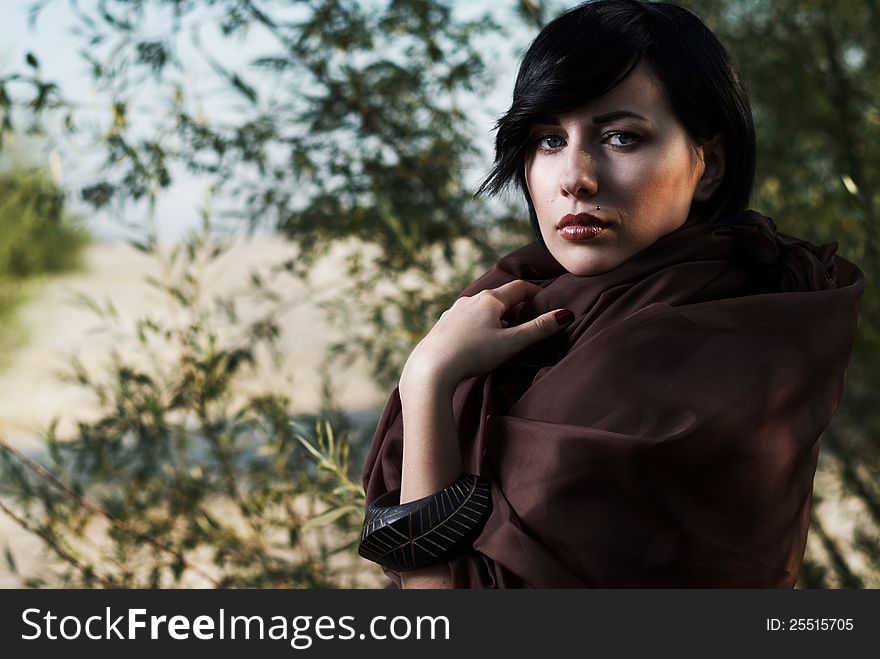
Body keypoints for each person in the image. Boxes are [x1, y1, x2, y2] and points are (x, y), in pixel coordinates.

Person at [358, 0, 865, 588]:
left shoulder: (708, 350)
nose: (576, 177)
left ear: (712, 165)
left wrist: (427, 381)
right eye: (548, 140)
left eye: (621, 137)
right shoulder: (526, 303)